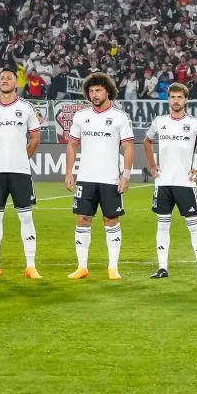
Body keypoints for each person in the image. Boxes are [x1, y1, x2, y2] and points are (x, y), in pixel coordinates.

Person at [143, 83, 197, 279]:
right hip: (163, 183)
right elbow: (147, 141)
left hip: (186, 183)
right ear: (168, 99)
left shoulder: (195, 123)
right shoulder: (159, 122)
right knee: (162, 225)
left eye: (179, 97)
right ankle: (162, 268)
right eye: (173, 97)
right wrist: (152, 165)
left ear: (186, 100)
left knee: (194, 226)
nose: (176, 101)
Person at [64, 72, 134, 281]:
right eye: (91, 91)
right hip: (86, 178)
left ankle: (113, 267)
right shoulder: (81, 116)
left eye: (98, 90)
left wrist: (126, 175)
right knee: (82, 220)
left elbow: (129, 147)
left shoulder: (120, 117)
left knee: (110, 220)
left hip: (110, 179)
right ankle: (82, 267)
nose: (94, 94)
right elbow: (72, 144)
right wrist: (69, 172)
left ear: (108, 91)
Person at [0, 68, 43, 279]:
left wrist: (22, 157)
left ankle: (31, 266)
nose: (4, 80)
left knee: (26, 217)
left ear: (16, 83)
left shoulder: (26, 108)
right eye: (2, 78)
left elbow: (35, 138)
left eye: (9, 78)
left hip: (20, 171)